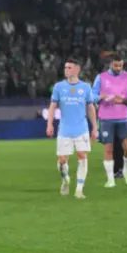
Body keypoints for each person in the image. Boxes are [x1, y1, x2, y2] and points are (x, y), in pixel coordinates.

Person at [46, 59, 98, 198]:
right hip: (64, 129)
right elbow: (52, 106)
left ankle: (79, 189)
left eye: (69, 67)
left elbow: (90, 108)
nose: (66, 70)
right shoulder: (58, 87)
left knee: (82, 156)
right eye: (65, 67)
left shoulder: (86, 87)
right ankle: (65, 180)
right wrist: (49, 124)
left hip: (81, 128)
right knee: (62, 160)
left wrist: (95, 127)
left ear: (77, 70)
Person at [91, 54, 127, 188]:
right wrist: (101, 96)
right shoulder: (101, 77)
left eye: (120, 65)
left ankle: (126, 171)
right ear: (110, 64)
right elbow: (92, 96)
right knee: (108, 149)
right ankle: (110, 180)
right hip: (106, 118)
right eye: (116, 65)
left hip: (123, 118)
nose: (118, 68)